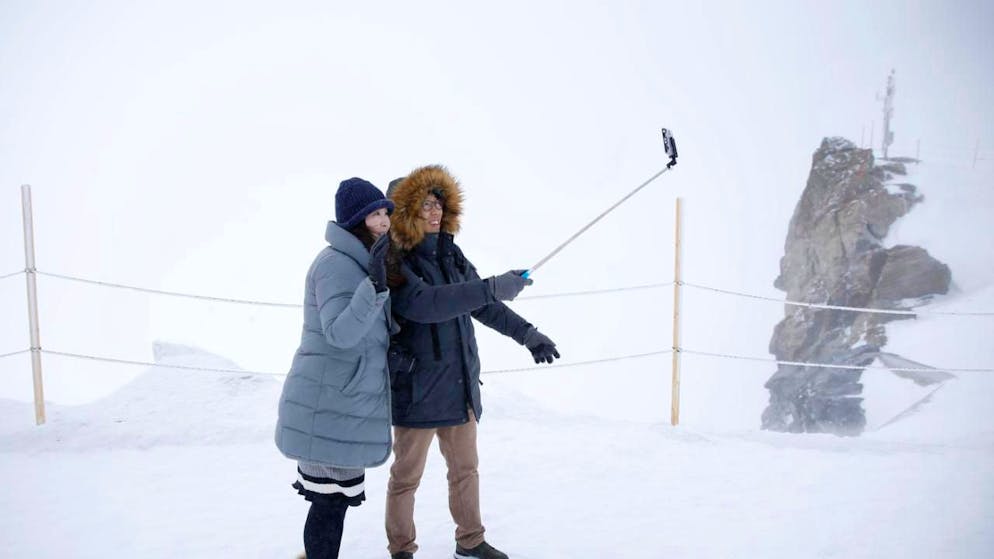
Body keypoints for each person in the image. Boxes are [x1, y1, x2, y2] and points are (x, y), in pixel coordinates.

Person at [383, 165, 560, 559]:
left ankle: (471, 541)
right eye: (425, 205)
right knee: (405, 477)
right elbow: (427, 305)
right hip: (417, 390)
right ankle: (401, 550)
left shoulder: (450, 253)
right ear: (405, 211)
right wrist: (491, 285)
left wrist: (527, 334)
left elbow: (483, 303)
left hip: (459, 384)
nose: (435, 213)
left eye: (439, 205)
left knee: (465, 471)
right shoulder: (395, 261)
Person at [275, 177, 397, 559]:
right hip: (328, 404)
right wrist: (374, 286)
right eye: (374, 214)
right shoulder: (336, 265)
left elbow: (367, 329)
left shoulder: (362, 260)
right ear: (356, 221)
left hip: (343, 404)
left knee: (335, 503)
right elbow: (340, 333)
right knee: (329, 503)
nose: (384, 221)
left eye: (385, 213)